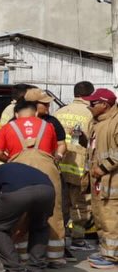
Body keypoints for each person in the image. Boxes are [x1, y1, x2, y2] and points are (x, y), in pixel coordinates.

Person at [0, 99, 65, 267]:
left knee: (19, 212)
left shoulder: (8, 127)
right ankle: (55, 256)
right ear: (36, 113)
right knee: (52, 211)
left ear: (16, 114)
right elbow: (54, 148)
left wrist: (10, 160)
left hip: (19, 169)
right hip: (47, 168)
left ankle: (21, 255)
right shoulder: (48, 126)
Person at [54, 80, 95, 251]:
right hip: (80, 167)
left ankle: (60, 238)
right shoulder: (91, 114)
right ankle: (78, 239)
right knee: (81, 204)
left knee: (61, 204)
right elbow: (92, 142)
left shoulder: (59, 112)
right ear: (90, 95)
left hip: (60, 164)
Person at [86, 87, 118, 269]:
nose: (89, 106)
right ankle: (106, 250)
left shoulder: (115, 122)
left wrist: (103, 167)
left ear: (104, 104)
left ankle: (111, 257)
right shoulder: (97, 122)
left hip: (112, 181)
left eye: (93, 103)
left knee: (110, 219)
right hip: (99, 181)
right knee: (101, 217)